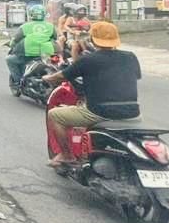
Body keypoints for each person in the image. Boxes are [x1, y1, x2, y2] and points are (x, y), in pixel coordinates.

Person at [42, 20, 141, 166]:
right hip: (132, 112)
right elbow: (136, 76)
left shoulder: (88, 60)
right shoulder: (130, 56)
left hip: (99, 112)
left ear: (92, 39)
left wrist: (47, 78)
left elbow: (62, 76)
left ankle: (66, 155)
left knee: (55, 115)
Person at [7, 5, 57, 87]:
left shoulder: (25, 26)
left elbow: (16, 39)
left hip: (28, 53)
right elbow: (54, 37)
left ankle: (17, 82)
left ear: (31, 15)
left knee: (9, 60)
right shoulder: (51, 26)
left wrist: (11, 44)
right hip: (47, 54)